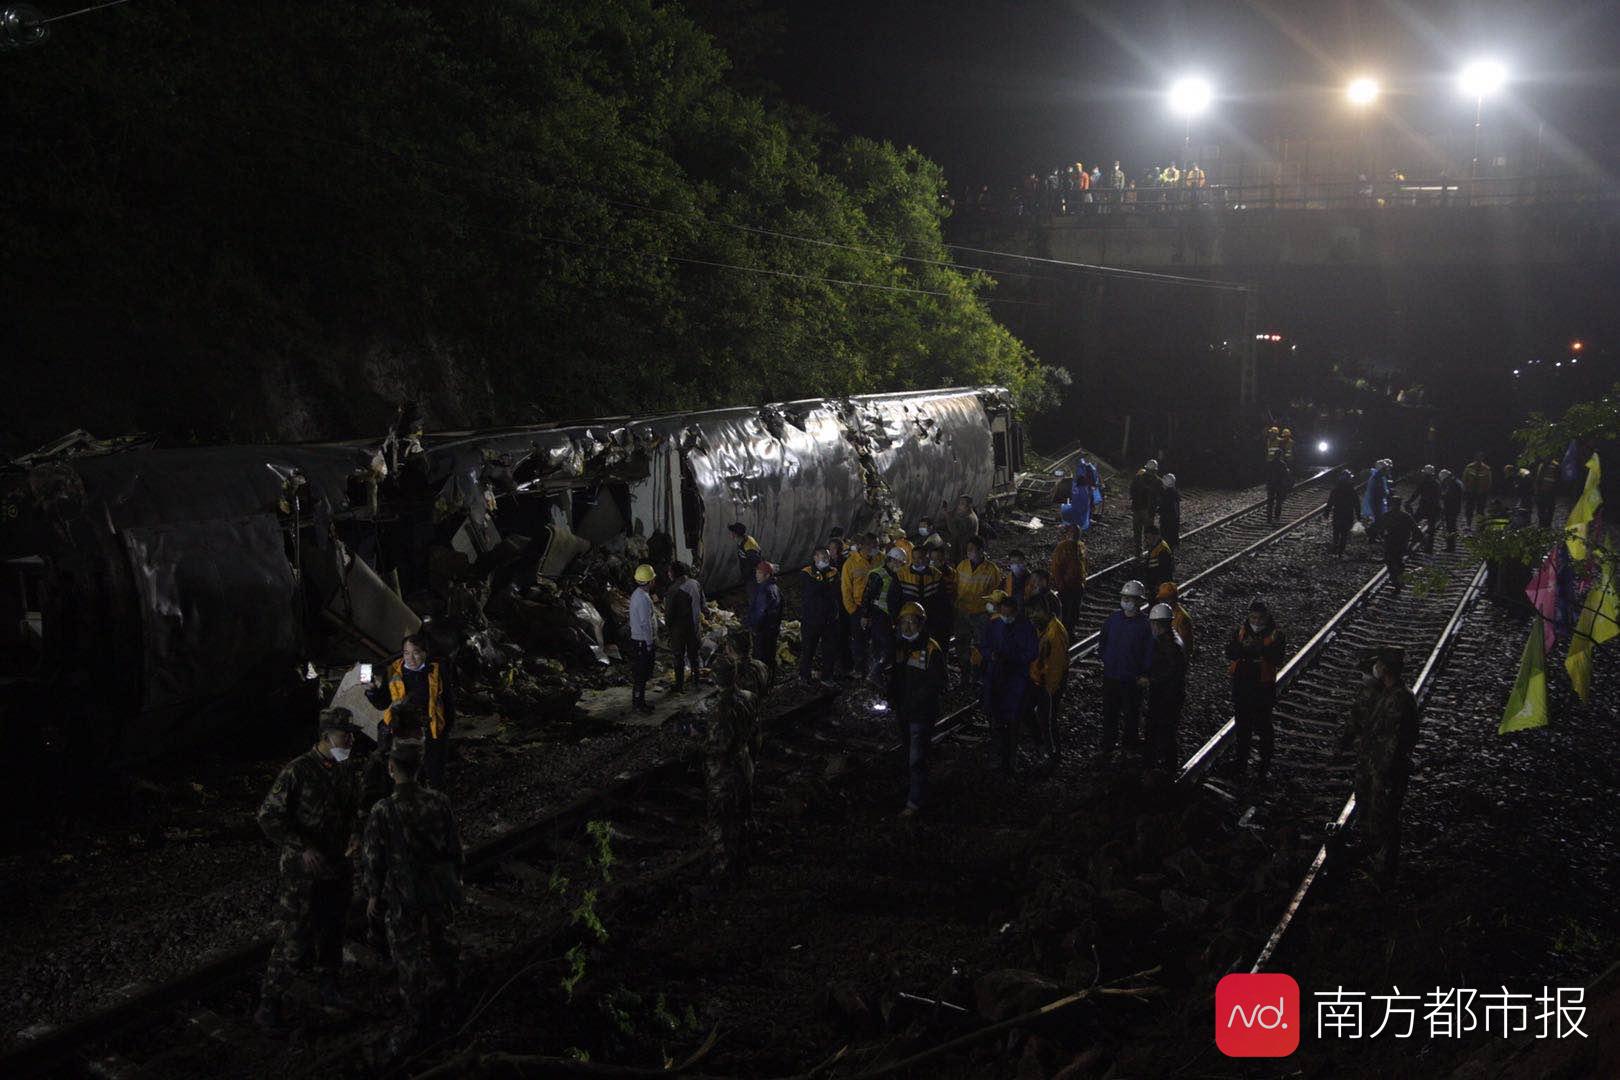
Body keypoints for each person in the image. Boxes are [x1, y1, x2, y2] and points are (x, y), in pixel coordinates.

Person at [256, 710, 364, 1031]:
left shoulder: (345, 768)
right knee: (295, 936)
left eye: (350, 734)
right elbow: (268, 816)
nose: (350, 740)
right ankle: (269, 1004)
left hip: (337, 864)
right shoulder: (297, 772)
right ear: (327, 736)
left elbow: (354, 807)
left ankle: (329, 988)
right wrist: (302, 847)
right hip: (302, 872)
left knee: (333, 929)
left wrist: (356, 833)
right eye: (345, 734)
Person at [361, 740, 463, 1052]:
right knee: (442, 942)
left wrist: (373, 895)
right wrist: (454, 880)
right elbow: (454, 847)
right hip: (437, 886)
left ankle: (418, 1015)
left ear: (392, 770)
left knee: (407, 953)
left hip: (404, 891)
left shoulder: (383, 810)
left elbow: (373, 858)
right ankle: (453, 1001)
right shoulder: (439, 801)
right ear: (419, 768)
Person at [1337, 646, 1418, 882]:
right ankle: (1375, 857)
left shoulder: (1399, 700)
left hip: (1385, 770)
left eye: (1379, 665)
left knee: (1384, 816)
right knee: (1371, 812)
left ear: (1385, 669)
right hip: (1375, 766)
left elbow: (1394, 742)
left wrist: (1382, 772)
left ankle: (1384, 869)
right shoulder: (1387, 693)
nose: (1376, 669)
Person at [367, 632, 456, 788]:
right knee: (403, 772)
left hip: (430, 729)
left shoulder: (437, 670)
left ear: (425, 653)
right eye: (406, 653)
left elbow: (448, 701)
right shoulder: (394, 670)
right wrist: (373, 691)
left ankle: (433, 801)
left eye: (416, 653)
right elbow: (382, 703)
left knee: (434, 773)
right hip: (401, 728)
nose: (411, 658)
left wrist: (446, 730)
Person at [888, 602, 946, 815]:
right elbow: (896, 676)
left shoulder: (931, 649)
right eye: (904, 622)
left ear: (921, 624)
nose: (907, 626)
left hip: (922, 713)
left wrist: (914, 701)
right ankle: (916, 789)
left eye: (912, 622)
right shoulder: (901, 646)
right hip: (904, 710)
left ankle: (915, 802)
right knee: (909, 753)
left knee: (916, 757)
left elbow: (936, 683)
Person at [703, 656, 754, 881]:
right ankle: (745, 859)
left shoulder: (719, 710)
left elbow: (720, 746)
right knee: (743, 814)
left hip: (725, 772)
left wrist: (700, 741)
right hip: (745, 762)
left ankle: (723, 874)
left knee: (721, 824)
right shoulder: (748, 697)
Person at [1225, 600, 1285, 783]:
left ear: (1266, 617)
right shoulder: (1240, 631)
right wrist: (1248, 650)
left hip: (1262, 687)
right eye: (1253, 617)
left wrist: (1256, 650)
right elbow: (1230, 651)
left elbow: (1276, 658)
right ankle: (1241, 762)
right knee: (1243, 726)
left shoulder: (1276, 634)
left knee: (1263, 726)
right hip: (1243, 685)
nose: (1256, 621)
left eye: (1259, 618)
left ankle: (1264, 765)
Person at [980, 592, 1039, 772]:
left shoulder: (1026, 628)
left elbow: (1031, 653)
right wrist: (990, 655)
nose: (1005, 617)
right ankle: (998, 755)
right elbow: (984, 645)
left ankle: (1010, 759)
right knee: (996, 718)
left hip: (1015, 680)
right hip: (996, 677)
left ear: (1015, 612)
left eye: (1008, 614)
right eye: (1003, 613)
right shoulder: (994, 625)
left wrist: (1011, 658)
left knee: (1012, 720)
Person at [1097, 580, 1155, 762]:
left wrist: (1145, 673)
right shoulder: (1113, 619)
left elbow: (1149, 651)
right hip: (1112, 675)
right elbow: (1103, 641)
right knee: (1109, 713)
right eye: (1124, 598)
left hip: (1132, 678)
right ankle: (1108, 746)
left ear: (1138, 601)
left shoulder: (1146, 625)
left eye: (1130, 599)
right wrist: (1106, 658)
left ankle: (1128, 747)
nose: (1126, 602)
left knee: (1131, 714)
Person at [954, 536, 1002, 690]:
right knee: (962, 644)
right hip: (962, 612)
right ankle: (964, 676)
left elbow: (996, 594)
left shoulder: (992, 570)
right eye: (968, 550)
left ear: (981, 551)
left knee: (981, 646)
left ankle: (978, 676)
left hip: (981, 614)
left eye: (972, 550)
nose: (969, 553)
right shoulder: (962, 566)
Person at [1144, 603, 1187, 771]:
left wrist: (1150, 680)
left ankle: (1166, 767)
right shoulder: (1172, 639)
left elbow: (1170, 670)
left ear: (1156, 624)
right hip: (1171, 693)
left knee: (1163, 729)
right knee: (1166, 730)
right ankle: (1165, 765)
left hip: (1167, 695)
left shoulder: (1169, 644)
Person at [1027, 606, 1069, 764]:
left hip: (1048, 684)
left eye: (1036, 611)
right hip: (1039, 680)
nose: (1033, 614)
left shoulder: (1055, 633)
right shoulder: (1044, 627)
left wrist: (1049, 691)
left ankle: (1052, 754)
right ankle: (1045, 750)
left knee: (1048, 719)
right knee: (1037, 716)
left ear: (1047, 611)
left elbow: (1056, 666)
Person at [798, 546, 841, 687]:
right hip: (811, 619)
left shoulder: (834, 572)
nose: (825, 560)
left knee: (829, 650)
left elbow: (835, 592)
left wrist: (822, 585)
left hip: (829, 619)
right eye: (822, 558)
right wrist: (823, 582)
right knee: (808, 649)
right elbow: (810, 592)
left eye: (827, 558)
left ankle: (827, 677)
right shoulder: (806, 572)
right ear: (814, 558)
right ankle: (804, 676)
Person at [862, 546, 906, 683]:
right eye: (900, 563)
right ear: (892, 560)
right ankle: (874, 673)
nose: (902, 566)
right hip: (879, 615)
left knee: (881, 647)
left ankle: (876, 672)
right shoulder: (877, 574)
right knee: (886, 647)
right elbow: (867, 596)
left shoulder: (896, 575)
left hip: (890, 616)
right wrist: (865, 615)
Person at [840, 533, 878, 679]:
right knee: (859, 640)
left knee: (875, 639)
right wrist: (853, 610)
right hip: (858, 607)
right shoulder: (850, 563)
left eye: (876, 545)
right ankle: (860, 669)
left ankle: (873, 668)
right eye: (872, 545)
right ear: (863, 545)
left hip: (876, 608)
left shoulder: (880, 559)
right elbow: (846, 588)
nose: (875, 548)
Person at [666, 562, 705, 692]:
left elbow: (669, 614)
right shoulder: (696, 583)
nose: (668, 574)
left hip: (680, 629)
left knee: (678, 656)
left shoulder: (674, 589)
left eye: (670, 571)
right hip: (695, 626)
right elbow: (703, 605)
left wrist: (668, 629)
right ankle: (696, 682)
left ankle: (679, 685)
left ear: (674, 573)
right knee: (694, 655)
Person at [1049, 523, 1088, 639]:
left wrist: (1084, 579)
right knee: (1066, 610)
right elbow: (1056, 567)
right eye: (1072, 533)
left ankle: (1071, 631)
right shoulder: (1061, 548)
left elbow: (1085, 564)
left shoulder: (1081, 547)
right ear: (1068, 534)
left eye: (1077, 533)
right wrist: (1061, 584)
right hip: (1066, 586)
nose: (1075, 535)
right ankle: (1063, 633)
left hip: (1078, 584)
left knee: (1075, 609)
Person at [628, 564, 658, 714]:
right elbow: (645, 624)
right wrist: (650, 643)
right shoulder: (643, 599)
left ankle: (640, 703)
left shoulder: (637, 595)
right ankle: (638, 705)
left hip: (639, 641)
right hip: (642, 642)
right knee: (641, 675)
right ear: (650, 581)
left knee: (641, 674)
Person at [1371, 502, 1420, 593]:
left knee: (1390, 562)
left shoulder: (1387, 515)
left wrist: (1378, 535)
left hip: (1390, 543)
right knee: (1398, 561)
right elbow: (1415, 529)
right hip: (1402, 543)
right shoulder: (1406, 516)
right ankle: (1399, 579)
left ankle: (1396, 582)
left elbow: (1377, 527)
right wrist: (1414, 542)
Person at [747, 560, 784, 676]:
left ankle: (763, 684)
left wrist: (753, 627)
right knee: (770, 657)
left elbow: (760, 613)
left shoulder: (764, 590)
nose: (756, 575)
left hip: (763, 632)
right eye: (757, 572)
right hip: (772, 630)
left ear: (767, 575)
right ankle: (770, 682)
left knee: (761, 660)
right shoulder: (775, 588)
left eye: (759, 573)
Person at [924, 544, 957, 650]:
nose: (934, 562)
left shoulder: (951, 573)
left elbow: (954, 592)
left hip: (945, 614)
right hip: (930, 613)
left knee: (943, 644)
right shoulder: (926, 573)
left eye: (937, 559)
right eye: (932, 559)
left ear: (943, 559)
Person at [1405, 465, 1442, 553]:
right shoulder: (1437, 483)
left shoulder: (1424, 482)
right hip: (1433, 508)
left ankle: (1414, 541)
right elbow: (1438, 497)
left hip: (1423, 507)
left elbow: (1416, 493)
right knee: (1431, 529)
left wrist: (1409, 501)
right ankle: (1429, 548)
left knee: (1413, 524)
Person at [1154, 582, 1195, 657]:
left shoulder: (1182, 617)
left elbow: (1185, 645)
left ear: (1172, 599)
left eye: (1164, 599)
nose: (1161, 602)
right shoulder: (1163, 613)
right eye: (1161, 599)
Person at [1129, 460, 1163, 550]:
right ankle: (1149, 551)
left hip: (1137, 508)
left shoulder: (1137, 478)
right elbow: (1160, 498)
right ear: (1155, 470)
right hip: (1149, 511)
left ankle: (1138, 550)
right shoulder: (1159, 482)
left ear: (1146, 468)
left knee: (1137, 531)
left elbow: (1131, 491)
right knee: (1149, 533)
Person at [1325, 468, 1359, 557]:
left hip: (1338, 513)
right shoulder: (1352, 490)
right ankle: (1341, 550)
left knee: (1336, 531)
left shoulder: (1336, 490)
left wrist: (1327, 513)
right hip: (1348, 514)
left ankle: (1335, 546)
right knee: (1344, 533)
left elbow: (1330, 502)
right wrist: (1358, 515)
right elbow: (1357, 503)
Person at [728, 522, 763, 605]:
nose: (731, 534)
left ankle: (756, 614)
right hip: (749, 575)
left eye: (732, 532)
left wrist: (749, 574)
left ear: (736, 534)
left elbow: (756, 561)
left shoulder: (748, 545)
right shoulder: (743, 541)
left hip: (753, 577)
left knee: (754, 598)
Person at [1139, 523, 1174, 598]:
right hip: (1154, 584)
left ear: (1156, 536)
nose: (1147, 540)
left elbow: (1164, 570)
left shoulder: (1162, 550)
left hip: (1160, 585)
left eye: (1149, 538)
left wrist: (1158, 586)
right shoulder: (1155, 547)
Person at [1461, 452, 1493, 531]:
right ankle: (1468, 525)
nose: (1479, 459)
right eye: (1478, 457)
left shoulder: (1486, 469)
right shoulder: (1469, 467)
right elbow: (1464, 478)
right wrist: (1466, 489)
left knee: (1480, 510)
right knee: (1469, 509)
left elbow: (1489, 481)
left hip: (1481, 492)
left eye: (1480, 457)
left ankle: (1480, 526)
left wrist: (1484, 490)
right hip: (1470, 491)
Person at [946, 496, 980, 563]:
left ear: (969, 505)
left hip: (964, 549)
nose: (959, 506)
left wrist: (948, 518)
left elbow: (955, 532)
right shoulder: (966, 514)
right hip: (963, 547)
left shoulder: (969, 518)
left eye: (962, 504)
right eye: (959, 503)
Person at [1361, 458, 1391, 533]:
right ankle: (1371, 533)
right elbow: (1375, 491)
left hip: (1378, 500)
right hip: (1376, 501)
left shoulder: (1379, 477)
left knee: (1379, 518)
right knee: (1378, 518)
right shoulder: (1376, 478)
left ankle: (1374, 533)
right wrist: (1384, 493)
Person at [1264, 451, 1292, 525]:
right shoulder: (1282, 464)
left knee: (1270, 502)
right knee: (1279, 502)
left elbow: (1266, 474)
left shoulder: (1269, 464)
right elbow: (1286, 475)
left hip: (1271, 485)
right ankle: (1277, 517)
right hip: (1279, 485)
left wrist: (1267, 484)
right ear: (1280, 456)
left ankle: (1269, 518)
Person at [1439, 468, 1464, 549]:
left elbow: (1450, 497)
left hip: (1451, 509)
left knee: (1450, 527)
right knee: (1451, 526)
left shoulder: (1453, 485)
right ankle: (1451, 545)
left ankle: (1450, 546)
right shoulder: (1456, 482)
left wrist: (1442, 496)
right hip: (1454, 508)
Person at [1533, 458, 1560, 527]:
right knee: (1547, 510)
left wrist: (1536, 492)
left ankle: (1543, 525)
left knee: (1544, 510)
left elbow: (1538, 479)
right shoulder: (1555, 465)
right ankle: (1546, 525)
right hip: (1548, 492)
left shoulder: (1543, 465)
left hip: (1545, 492)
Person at [1159, 473, 1182, 548]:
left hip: (1167, 521)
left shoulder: (1167, 494)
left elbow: (1167, 507)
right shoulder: (1174, 492)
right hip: (1173, 521)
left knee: (1167, 540)